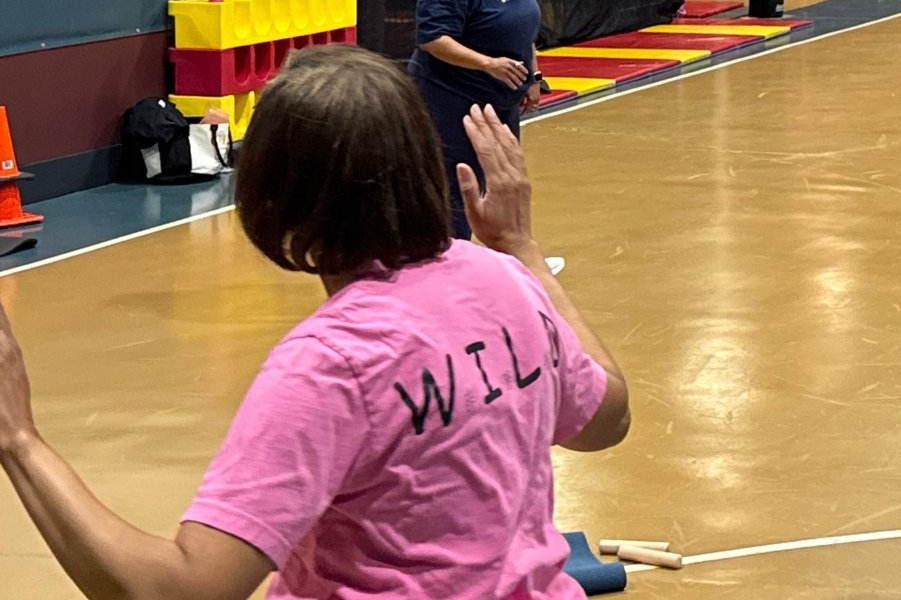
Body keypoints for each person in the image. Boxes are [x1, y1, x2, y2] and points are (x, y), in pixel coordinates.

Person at [0, 44, 630, 599]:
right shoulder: (504, 280)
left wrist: (19, 439)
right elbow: (606, 419)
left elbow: (183, 589)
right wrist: (519, 246)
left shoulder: (333, 363)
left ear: (274, 197)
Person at [411, 0, 543, 238]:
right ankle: (456, 258)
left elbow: (523, 23)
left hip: (503, 98)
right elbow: (433, 39)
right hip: (455, 99)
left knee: (505, 176)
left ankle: (508, 257)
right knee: (461, 181)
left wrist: (532, 76)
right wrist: (488, 64)